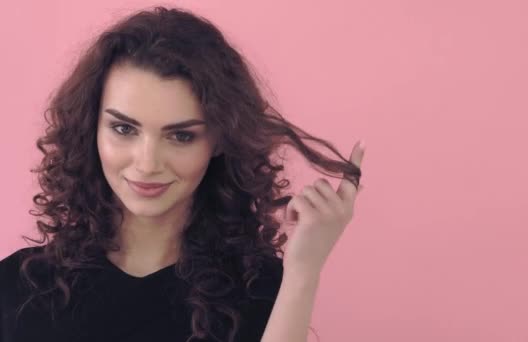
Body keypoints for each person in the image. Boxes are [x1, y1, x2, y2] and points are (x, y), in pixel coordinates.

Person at [0, 5, 364, 342]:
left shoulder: (264, 290)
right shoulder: (16, 286)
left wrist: (303, 272)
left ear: (220, 139)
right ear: (91, 128)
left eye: (180, 135)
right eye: (124, 129)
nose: (147, 163)